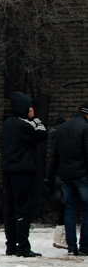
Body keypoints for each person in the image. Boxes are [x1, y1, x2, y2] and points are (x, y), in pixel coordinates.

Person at [1, 92, 48, 257]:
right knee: (22, 209)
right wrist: (34, 119)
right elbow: (42, 134)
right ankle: (23, 246)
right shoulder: (23, 125)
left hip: (9, 171)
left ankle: (11, 245)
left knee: (10, 209)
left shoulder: (8, 124)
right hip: (23, 172)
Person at [46, 100, 88, 256]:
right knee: (87, 209)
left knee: (69, 211)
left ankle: (71, 247)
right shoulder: (85, 128)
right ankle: (84, 246)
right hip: (83, 176)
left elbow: (54, 156)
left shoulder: (62, 129)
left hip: (65, 176)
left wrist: (50, 177)